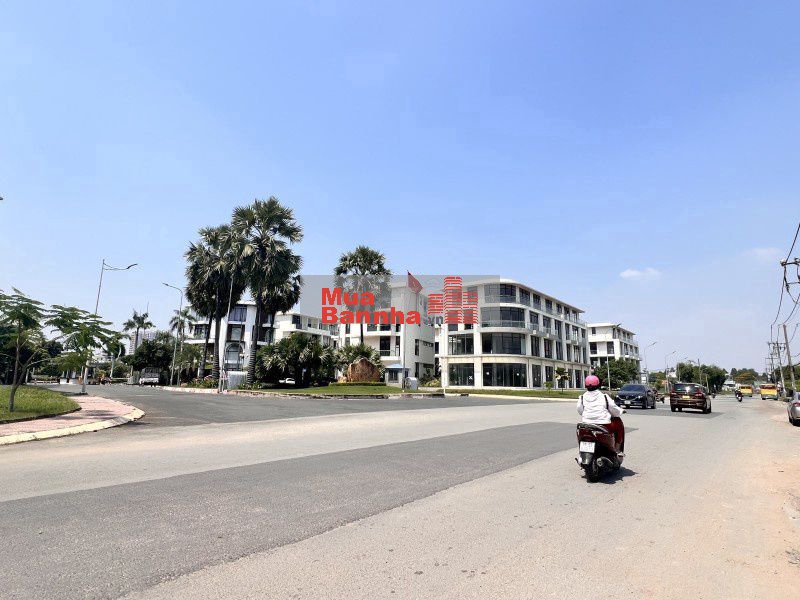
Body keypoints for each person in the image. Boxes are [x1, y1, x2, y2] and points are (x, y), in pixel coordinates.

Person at [577, 375, 625, 453]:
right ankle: (617, 448)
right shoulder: (604, 397)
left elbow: (580, 411)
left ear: (585, 385)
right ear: (598, 385)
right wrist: (621, 411)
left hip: (586, 424)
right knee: (618, 423)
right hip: (604, 425)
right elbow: (614, 410)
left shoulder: (582, 397)